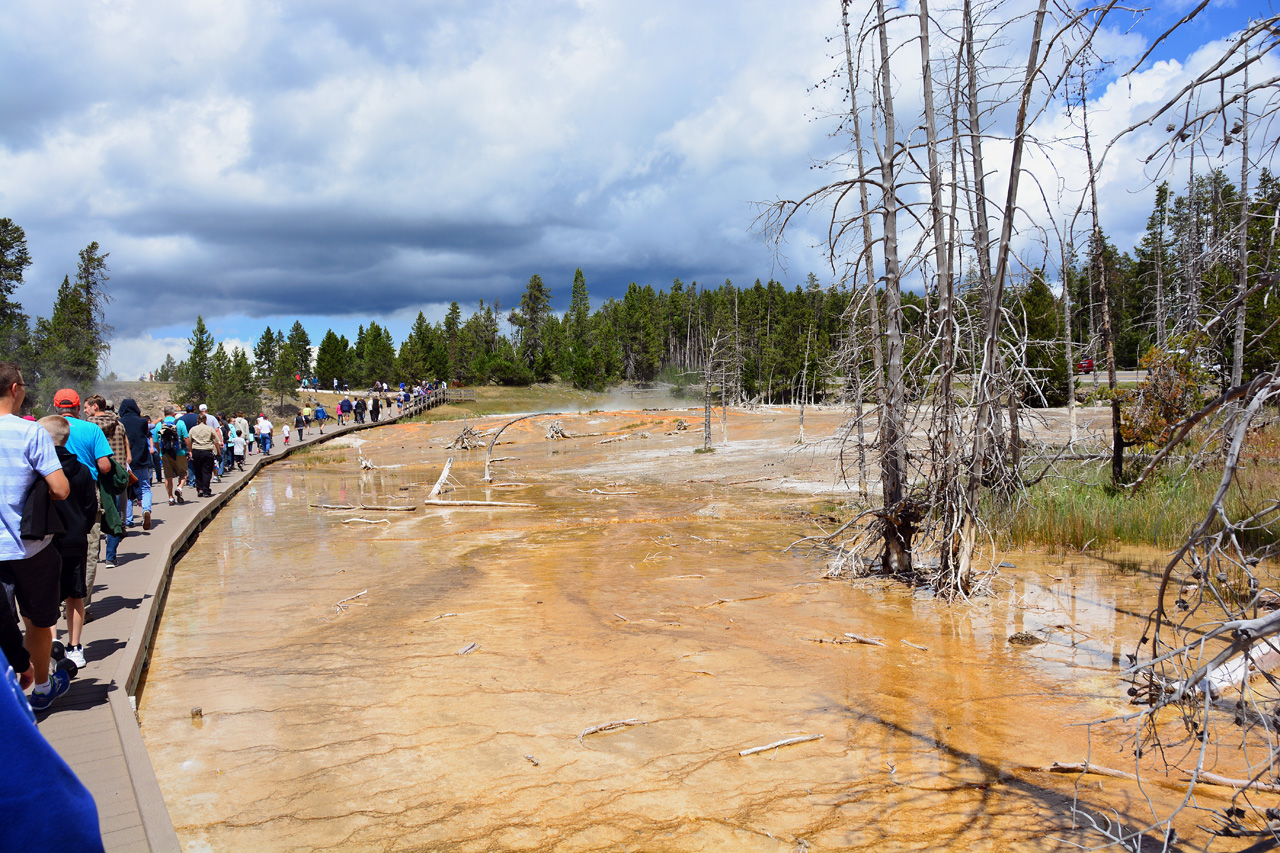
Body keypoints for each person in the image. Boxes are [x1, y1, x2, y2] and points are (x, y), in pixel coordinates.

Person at [0, 363, 73, 711]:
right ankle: (42, 688)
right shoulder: (31, 433)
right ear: (15, 389)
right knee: (39, 622)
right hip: (29, 547)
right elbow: (60, 489)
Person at [37, 416, 97, 671]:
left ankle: (53, 643)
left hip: (47, 540)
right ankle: (75, 647)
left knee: (49, 595)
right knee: (75, 594)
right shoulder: (82, 469)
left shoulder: (39, 470)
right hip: (75, 538)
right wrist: (80, 529)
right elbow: (90, 506)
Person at [53, 390, 113, 614]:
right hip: (86, 492)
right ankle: (80, 603)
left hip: (51, 492)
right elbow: (105, 466)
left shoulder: (43, 428)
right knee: (88, 548)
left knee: (53, 546)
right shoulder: (91, 429)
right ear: (78, 408)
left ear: (55, 407)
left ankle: (57, 598)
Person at [84, 395, 129, 569]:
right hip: (115, 476)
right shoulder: (119, 425)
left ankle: (93, 555)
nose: (85, 410)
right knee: (114, 515)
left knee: (93, 517)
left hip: (94, 476)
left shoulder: (88, 427)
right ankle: (111, 557)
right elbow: (126, 448)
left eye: (87, 406)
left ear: (95, 407)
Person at [117, 399, 153, 531]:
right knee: (145, 487)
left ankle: (128, 519)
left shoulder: (119, 422)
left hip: (126, 460)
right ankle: (146, 509)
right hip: (142, 459)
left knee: (126, 490)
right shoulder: (143, 422)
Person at [153, 406, 189, 505]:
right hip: (179, 453)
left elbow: (156, 441)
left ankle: (170, 498)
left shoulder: (159, 425)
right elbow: (186, 438)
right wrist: (189, 450)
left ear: (164, 414)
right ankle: (179, 488)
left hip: (165, 453)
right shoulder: (180, 423)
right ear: (174, 413)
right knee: (183, 474)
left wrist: (160, 451)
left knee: (168, 477)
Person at [186, 415, 221, 498]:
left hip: (196, 451)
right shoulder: (210, 429)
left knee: (198, 471)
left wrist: (190, 451)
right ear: (205, 420)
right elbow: (216, 441)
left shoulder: (193, 429)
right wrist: (218, 452)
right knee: (207, 471)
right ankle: (206, 490)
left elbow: (189, 441)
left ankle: (200, 488)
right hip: (207, 451)